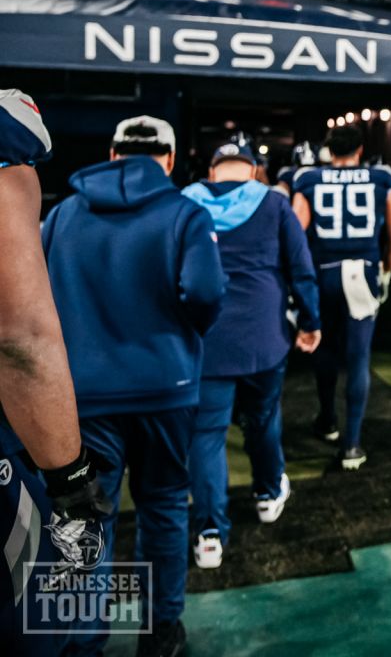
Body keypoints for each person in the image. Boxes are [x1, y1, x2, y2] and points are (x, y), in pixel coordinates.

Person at [43, 115, 225, 657]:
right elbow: (205, 293)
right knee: (165, 509)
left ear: (113, 152)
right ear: (169, 158)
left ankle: (84, 640)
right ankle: (161, 629)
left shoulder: (63, 215)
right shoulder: (185, 215)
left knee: (85, 521)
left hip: (85, 398)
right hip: (165, 393)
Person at [0, 91, 111, 655]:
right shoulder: (7, 137)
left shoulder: (70, 214)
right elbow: (19, 338)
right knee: (37, 625)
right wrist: (71, 480)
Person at [181, 140, 322, 570]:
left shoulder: (184, 204)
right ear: (255, 169)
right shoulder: (275, 204)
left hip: (204, 339)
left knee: (206, 437)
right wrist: (311, 321)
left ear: (212, 168)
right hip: (264, 337)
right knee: (262, 419)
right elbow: (301, 268)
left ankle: (208, 535)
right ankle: (265, 494)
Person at [291, 125, 391, 471]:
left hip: (324, 270)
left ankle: (327, 419)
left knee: (324, 347)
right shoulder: (380, 178)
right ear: (360, 149)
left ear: (329, 150)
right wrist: (386, 268)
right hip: (362, 270)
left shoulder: (308, 179)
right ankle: (352, 444)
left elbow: (296, 235)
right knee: (358, 357)